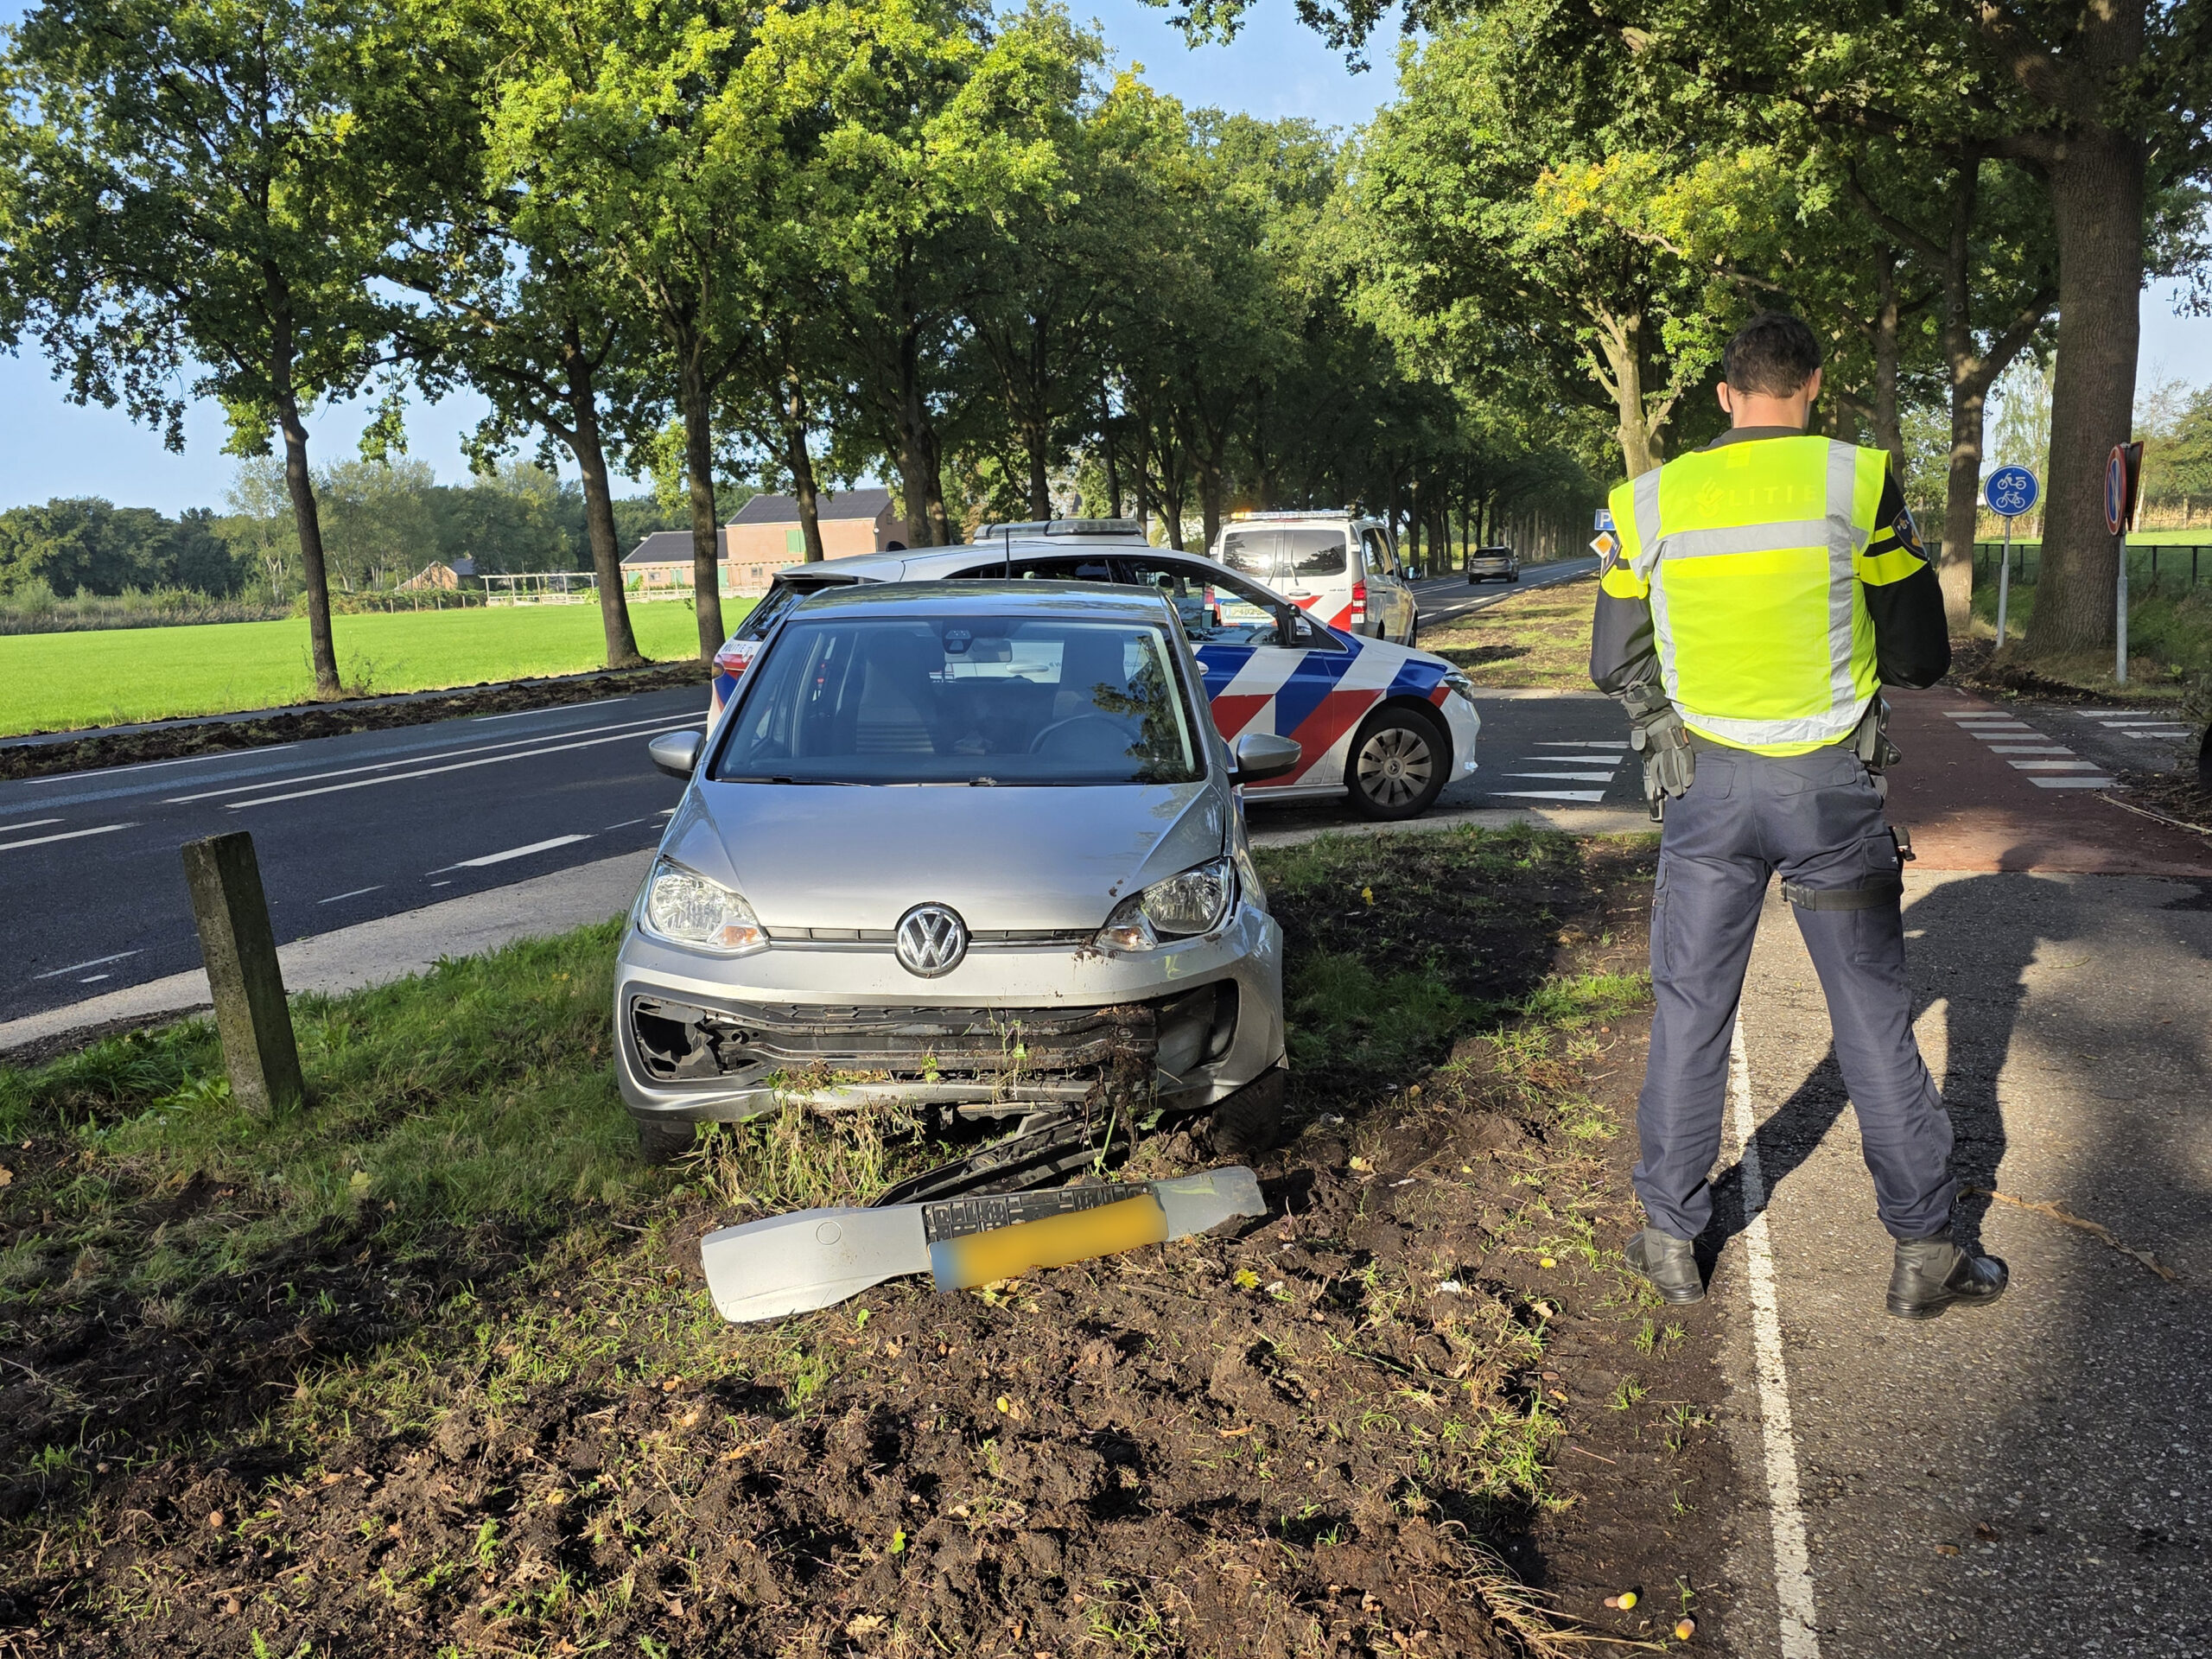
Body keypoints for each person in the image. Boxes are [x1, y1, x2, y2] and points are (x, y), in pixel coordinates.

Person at [1589, 310, 2006, 1320]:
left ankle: (1671, 1241)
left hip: (1706, 793)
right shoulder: (1856, 482)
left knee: (1691, 1010)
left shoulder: (1645, 500)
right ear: (1813, 388)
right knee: (1870, 1018)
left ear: (1725, 396)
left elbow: (1610, 660)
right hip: (1828, 793)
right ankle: (1922, 1250)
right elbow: (1918, 658)